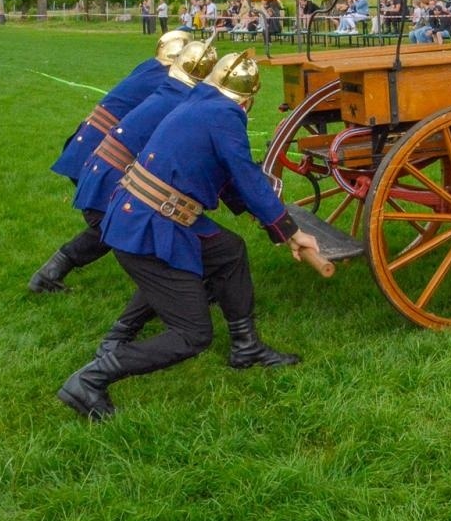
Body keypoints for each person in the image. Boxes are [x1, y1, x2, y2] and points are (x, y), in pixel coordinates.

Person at [57, 50, 321, 420]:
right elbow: (244, 174)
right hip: (149, 225)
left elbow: (227, 175)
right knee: (192, 335)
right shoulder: (227, 115)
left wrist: (273, 222)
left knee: (228, 250)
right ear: (247, 100)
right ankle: (91, 379)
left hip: (144, 214)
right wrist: (290, 232)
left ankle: (246, 346)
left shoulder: (201, 100)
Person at [28, 40, 219, 298]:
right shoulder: (168, 83)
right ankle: (50, 274)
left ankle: (51, 273)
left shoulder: (150, 69)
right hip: (103, 154)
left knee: (118, 223)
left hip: (93, 145)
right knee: (120, 224)